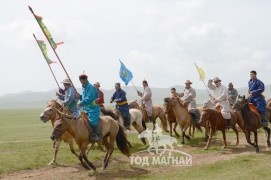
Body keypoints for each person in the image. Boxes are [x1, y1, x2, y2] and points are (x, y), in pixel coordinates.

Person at [76, 74, 102, 142]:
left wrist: (82, 102)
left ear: (84, 80)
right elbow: (85, 97)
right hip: (85, 108)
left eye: (81, 80)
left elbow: (90, 98)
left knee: (92, 121)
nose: (80, 82)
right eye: (80, 80)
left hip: (92, 108)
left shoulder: (91, 87)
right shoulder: (84, 87)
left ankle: (97, 135)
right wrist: (80, 97)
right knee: (78, 117)